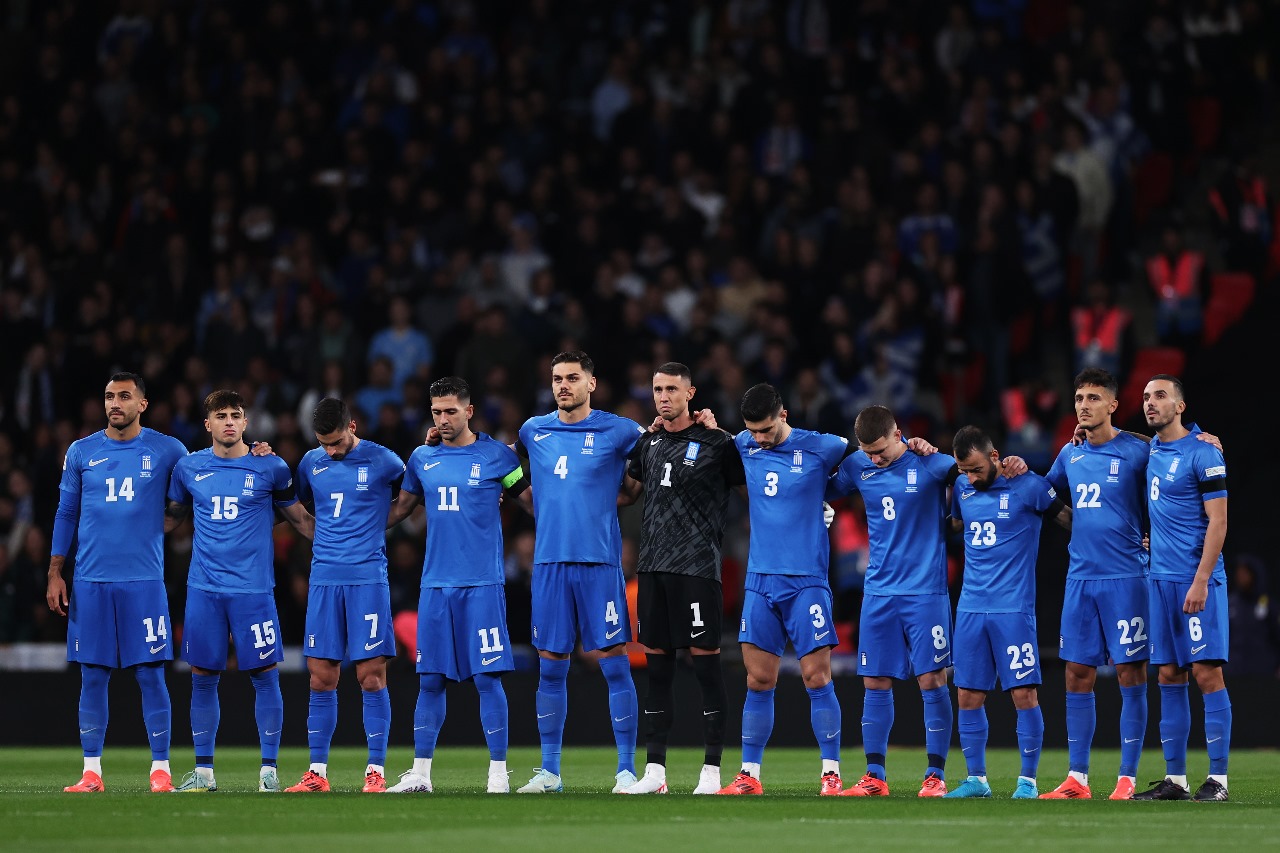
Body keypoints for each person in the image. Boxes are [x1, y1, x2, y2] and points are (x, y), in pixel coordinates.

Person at [825, 405, 1025, 797]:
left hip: (925, 593)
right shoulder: (856, 466)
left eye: (881, 450)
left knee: (932, 681)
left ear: (899, 433)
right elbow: (820, 488)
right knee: (874, 682)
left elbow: (980, 473)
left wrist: (1012, 464)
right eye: (869, 452)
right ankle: (874, 777)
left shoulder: (932, 464)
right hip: (879, 592)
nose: (876, 458)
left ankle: (935, 776)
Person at [382, 376, 530, 794]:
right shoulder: (421, 458)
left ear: (469, 410)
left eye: (451, 411)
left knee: (488, 679)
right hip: (435, 586)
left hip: (482, 584)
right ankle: (421, 774)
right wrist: (348, 526)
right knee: (429, 680)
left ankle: (498, 775)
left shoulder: (498, 457)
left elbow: (532, 500)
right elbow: (399, 512)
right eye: (436, 412)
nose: (443, 419)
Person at [165, 390, 314, 792]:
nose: (229, 421)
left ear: (246, 422)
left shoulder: (272, 467)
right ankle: (204, 774)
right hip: (204, 590)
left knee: (265, 676)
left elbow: (298, 518)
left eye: (235, 415)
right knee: (202, 678)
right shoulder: (188, 468)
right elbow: (170, 520)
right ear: (208, 424)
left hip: (253, 592)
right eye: (221, 415)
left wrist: (341, 547)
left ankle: (268, 771)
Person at [47, 372, 189, 793]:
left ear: (142, 404)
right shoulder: (82, 451)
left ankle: (160, 771)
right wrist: (56, 570)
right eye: (109, 396)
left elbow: (195, 485)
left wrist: (251, 454)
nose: (115, 403)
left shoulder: (167, 450)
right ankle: (92, 772)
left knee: (150, 675)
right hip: (90, 582)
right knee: (92, 675)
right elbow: (66, 514)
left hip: (144, 582)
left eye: (125, 396)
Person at [513, 351, 646, 794]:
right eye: (557, 379)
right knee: (550, 667)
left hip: (600, 564)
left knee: (614, 666)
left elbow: (651, 469)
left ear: (592, 383)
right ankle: (550, 771)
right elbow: (500, 467)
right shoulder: (533, 430)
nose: (563, 385)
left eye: (572, 378)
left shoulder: (621, 430)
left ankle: (626, 771)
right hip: (549, 564)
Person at [617, 363, 746, 796]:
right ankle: (655, 772)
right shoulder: (647, 442)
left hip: (697, 568)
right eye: (657, 389)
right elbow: (626, 492)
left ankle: (711, 771)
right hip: (652, 568)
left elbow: (752, 493)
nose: (663, 396)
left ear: (690, 393)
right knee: (657, 673)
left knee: (708, 670)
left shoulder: (718, 443)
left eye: (672, 388)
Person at [716, 383, 849, 796]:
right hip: (759, 582)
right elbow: (719, 439)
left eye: (767, 429)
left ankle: (831, 773)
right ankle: (749, 776)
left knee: (816, 676)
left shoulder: (822, 446)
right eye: (753, 431)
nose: (760, 438)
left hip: (806, 580)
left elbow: (868, 459)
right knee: (758, 680)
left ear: (784, 415)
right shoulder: (743, 443)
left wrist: (827, 500)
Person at [1038, 368, 1155, 800]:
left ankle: (1127, 779)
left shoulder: (1139, 451)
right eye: (1079, 398)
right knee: (1077, 674)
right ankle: (1077, 780)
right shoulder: (1070, 456)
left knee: (1130, 673)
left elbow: (1173, 485)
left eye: (1092, 398)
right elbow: (1044, 498)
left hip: (1127, 578)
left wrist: (1201, 438)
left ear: (1112, 405)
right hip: (1080, 579)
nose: (1083, 405)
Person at [284, 397, 407, 794]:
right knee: (321, 678)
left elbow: (410, 497)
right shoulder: (310, 462)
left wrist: (373, 528)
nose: (331, 451)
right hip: (324, 580)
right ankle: (316, 772)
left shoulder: (384, 460)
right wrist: (323, 539)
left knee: (371, 677)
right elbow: (297, 508)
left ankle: (375, 772)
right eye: (324, 444)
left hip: (367, 579)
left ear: (352, 426)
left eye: (336, 442)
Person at [943, 425, 1071, 799]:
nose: (970, 477)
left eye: (976, 469)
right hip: (969, 608)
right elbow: (952, 526)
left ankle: (1027, 782)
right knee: (967, 695)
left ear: (995, 455)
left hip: (1013, 610)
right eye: (964, 470)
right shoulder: (963, 489)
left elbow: (1069, 519)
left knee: (1024, 695)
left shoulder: (1028, 486)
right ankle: (976, 780)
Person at [1133, 375, 1231, 801]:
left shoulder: (1204, 452)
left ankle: (1219, 781)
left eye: (1160, 396)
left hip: (1197, 582)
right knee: (1169, 675)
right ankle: (1175, 780)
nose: (1150, 403)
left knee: (1207, 673)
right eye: (1145, 397)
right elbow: (1137, 437)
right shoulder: (1152, 447)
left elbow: (1219, 522)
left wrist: (1202, 580)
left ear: (1181, 405)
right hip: (1160, 581)